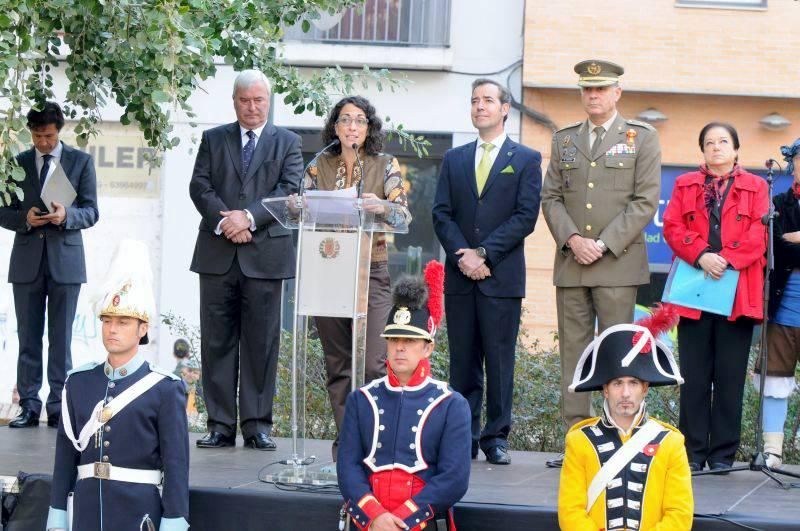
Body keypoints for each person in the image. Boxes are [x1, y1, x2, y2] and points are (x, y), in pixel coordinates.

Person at [541, 60, 661, 445]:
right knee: (574, 355)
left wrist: (603, 243)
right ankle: (577, 440)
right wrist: (574, 240)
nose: (593, 95)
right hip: (573, 262)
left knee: (616, 355)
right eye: (587, 89)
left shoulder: (641, 137)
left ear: (617, 93)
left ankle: (618, 437)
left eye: (601, 89)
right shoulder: (564, 139)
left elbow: (645, 202)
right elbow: (551, 197)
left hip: (617, 265)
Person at [189, 69, 303, 450]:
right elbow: (199, 185)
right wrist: (227, 221)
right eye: (244, 100)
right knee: (217, 342)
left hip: (266, 255)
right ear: (234, 101)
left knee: (261, 343)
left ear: (268, 102)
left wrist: (249, 217)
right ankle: (220, 424)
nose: (252, 107)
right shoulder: (213, 138)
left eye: (258, 100)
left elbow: (289, 189)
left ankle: (257, 425)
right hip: (218, 252)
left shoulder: (287, 141)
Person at [432, 78, 541, 465]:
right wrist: (463, 255)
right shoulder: (454, 158)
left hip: (501, 278)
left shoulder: (526, 159)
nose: (480, 106)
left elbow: (525, 217)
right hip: (461, 277)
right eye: (475, 100)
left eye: (488, 100)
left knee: (499, 361)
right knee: (463, 361)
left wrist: (483, 254)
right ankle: (464, 435)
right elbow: (441, 213)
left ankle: (496, 437)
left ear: (505, 108)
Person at [45, 240, 189, 531]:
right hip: (86, 512)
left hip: (138, 513)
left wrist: (174, 520)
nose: (112, 329)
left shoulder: (164, 388)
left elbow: (176, 464)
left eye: (124, 321)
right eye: (108, 320)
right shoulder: (78, 382)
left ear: (143, 329)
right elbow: (65, 457)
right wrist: (57, 513)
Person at [303, 96, 411, 458]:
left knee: (370, 362)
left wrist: (381, 206)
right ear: (335, 127)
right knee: (338, 363)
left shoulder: (385, 164)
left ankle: (375, 438)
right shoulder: (320, 165)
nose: (352, 127)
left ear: (369, 128)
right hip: (329, 269)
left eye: (359, 120)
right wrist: (297, 205)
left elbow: (403, 216)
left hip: (371, 270)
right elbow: (301, 205)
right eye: (345, 120)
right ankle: (347, 441)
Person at [663, 122, 768, 472]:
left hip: (736, 291)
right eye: (709, 143)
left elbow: (759, 231)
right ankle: (692, 452)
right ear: (702, 151)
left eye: (724, 141)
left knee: (729, 376)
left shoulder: (755, 186)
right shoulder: (684, 184)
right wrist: (702, 254)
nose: (716, 147)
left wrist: (728, 258)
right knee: (694, 375)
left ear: (736, 149)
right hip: (694, 291)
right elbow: (673, 226)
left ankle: (723, 454)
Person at [337, 262, 471, 531]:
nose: (399, 347)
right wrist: (374, 516)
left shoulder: (451, 404)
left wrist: (405, 520)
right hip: (369, 523)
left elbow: (453, 479)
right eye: (393, 339)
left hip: (422, 523)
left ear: (428, 348)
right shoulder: (361, 399)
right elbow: (348, 468)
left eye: (409, 341)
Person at [0, 101, 99, 429]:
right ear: (30, 132)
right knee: (28, 337)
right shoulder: (18, 163)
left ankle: (59, 405)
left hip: (66, 262)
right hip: (27, 261)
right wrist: (23, 219)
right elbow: (2, 211)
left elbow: (91, 211)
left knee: (61, 338)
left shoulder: (80, 162)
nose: (43, 142)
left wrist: (65, 215)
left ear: (59, 131)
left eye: (49, 136)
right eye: (38, 136)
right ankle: (29, 404)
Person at [558, 308, 693, 530]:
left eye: (633, 383)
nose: (626, 393)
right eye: (618, 383)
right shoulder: (579, 441)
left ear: (645, 388)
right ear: (605, 389)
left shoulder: (670, 442)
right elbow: (570, 512)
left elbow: (679, 515)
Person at [752, 137, 800, 469]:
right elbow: (778, 247)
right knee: (774, 378)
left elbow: (791, 242)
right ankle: (773, 450)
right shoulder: (779, 202)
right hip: (784, 304)